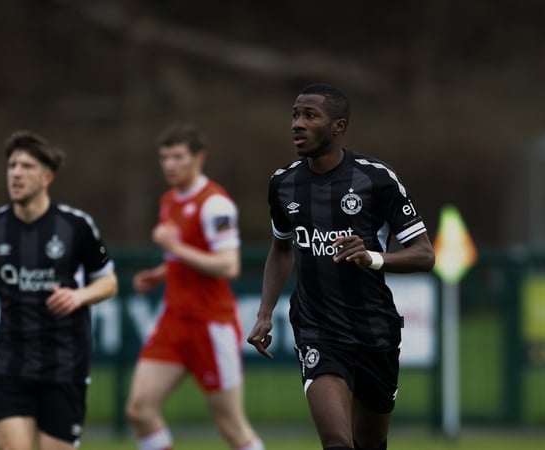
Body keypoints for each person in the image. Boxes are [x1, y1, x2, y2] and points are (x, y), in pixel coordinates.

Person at [247, 84, 435, 450]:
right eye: (295, 115)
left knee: (370, 443)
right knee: (336, 441)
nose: (298, 124)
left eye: (310, 116)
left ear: (338, 126)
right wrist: (265, 313)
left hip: (375, 332)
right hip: (317, 329)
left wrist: (372, 258)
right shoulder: (283, 183)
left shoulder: (376, 179)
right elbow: (281, 249)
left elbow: (425, 254)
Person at [0, 130, 119, 450]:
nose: (16, 173)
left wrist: (79, 296)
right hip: (10, 367)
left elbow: (109, 282)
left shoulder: (77, 226)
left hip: (64, 367)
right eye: (12, 166)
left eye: (27, 166)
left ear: (47, 177)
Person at [125, 123, 264, 450]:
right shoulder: (169, 199)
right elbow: (190, 255)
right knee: (140, 410)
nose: (169, 165)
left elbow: (228, 265)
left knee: (230, 426)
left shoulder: (215, 204)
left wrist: (174, 248)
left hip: (210, 324)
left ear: (199, 158)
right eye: (164, 158)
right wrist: (162, 272)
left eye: (178, 157)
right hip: (174, 320)